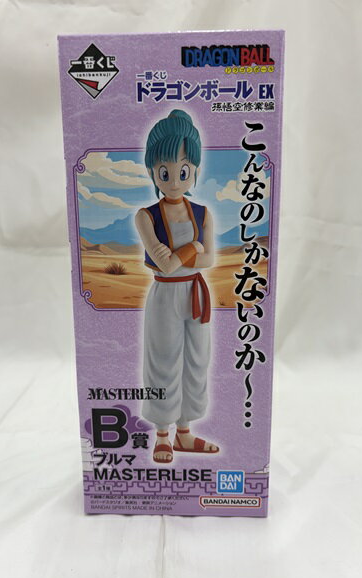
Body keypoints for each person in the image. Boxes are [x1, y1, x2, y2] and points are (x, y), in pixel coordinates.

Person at [135, 109, 219, 463]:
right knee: (164, 360)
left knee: (196, 360)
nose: (173, 180)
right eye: (164, 171)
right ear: (152, 171)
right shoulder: (145, 216)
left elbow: (208, 260)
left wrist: (187, 254)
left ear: (194, 170)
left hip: (195, 293)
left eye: (182, 171)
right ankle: (162, 434)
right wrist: (192, 248)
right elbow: (165, 264)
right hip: (165, 295)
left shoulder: (203, 213)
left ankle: (184, 432)